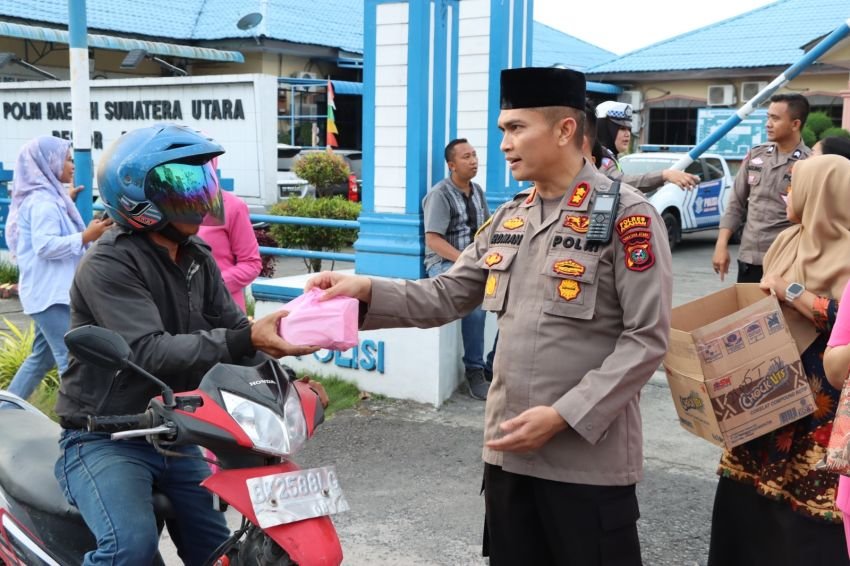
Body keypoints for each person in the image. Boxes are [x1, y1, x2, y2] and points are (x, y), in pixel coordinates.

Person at [306, 67, 673, 565]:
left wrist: (564, 415)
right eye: (502, 130)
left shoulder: (627, 217)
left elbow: (646, 338)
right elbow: (446, 294)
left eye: (516, 128)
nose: (503, 144)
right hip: (508, 456)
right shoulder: (510, 216)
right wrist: (365, 289)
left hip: (586, 465)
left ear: (565, 130)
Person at [53, 124, 323, 566]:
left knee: (217, 550)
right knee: (131, 549)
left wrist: (288, 380)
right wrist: (243, 337)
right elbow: (147, 351)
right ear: (136, 199)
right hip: (105, 436)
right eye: (181, 189)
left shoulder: (196, 256)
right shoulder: (108, 263)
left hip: (175, 434)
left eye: (201, 185)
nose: (197, 199)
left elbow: (236, 332)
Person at [707, 155, 850, 566]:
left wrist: (791, 291)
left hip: (822, 405)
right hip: (768, 392)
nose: (786, 192)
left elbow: (844, 320)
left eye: (794, 183)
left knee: (804, 525)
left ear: (819, 192)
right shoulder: (787, 239)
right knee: (747, 510)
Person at [3, 136, 112, 401]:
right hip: (51, 295)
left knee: (41, 359)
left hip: (48, 293)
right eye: (66, 159)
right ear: (47, 163)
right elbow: (45, 246)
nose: (72, 165)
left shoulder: (48, 198)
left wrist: (68, 200)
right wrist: (87, 236)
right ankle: (81, 422)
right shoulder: (43, 203)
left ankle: (6, 411)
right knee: (71, 361)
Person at [712, 93, 811, 283]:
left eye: (775, 118)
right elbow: (736, 203)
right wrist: (721, 244)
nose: (768, 124)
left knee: (780, 313)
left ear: (795, 124)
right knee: (747, 312)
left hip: (787, 262)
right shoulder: (756, 155)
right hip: (749, 258)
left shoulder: (809, 163)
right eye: (768, 117)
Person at [422, 138, 491, 400]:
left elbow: (485, 230)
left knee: (514, 291)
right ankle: (474, 370)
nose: (473, 161)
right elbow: (433, 240)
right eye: (466, 157)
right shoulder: (439, 195)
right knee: (473, 301)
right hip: (444, 263)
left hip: (474, 260)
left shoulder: (478, 192)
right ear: (452, 165)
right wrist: (466, 260)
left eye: (474, 155)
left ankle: (493, 363)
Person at [197, 157, 262, 312]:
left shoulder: (232, 207)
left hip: (223, 311)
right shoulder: (168, 207)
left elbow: (251, 264)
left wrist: (214, 284)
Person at [593, 100, 698, 191]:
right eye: (621, 129)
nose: (627, 134)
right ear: (605, 130)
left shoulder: (609, 155)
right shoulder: (600, 156)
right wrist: (664, 175)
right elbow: (621, 182)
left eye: (629, 129)